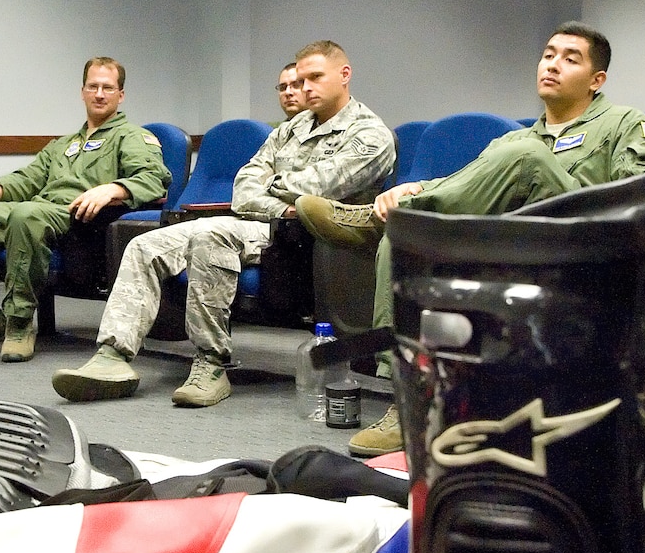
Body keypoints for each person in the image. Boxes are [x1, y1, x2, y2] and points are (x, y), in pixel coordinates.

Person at [303, 22, 645, 456]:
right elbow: (464, 187)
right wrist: (412, 190)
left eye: (571, 58)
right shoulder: (515, 138)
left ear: (596, 80)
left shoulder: (624, 124)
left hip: (582, 247)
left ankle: (370, 223)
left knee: (527, 158)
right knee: (404, 236)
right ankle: (407, 403)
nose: (553, 64)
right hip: (512, 250)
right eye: (549, 54)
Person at [51, 40, 394, 408]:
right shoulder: (289, 130)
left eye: (315, 78)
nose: (305, 87)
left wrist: (274, 185)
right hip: (259, 223)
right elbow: (244, 188)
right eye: (300, 79)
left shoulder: (371, 135)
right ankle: (112, 358)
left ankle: (211, 363)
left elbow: (318, 189)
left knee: (214, 234)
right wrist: (279, 197)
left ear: (344, 75)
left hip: (308, 239)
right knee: (147, 244)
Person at [0, 59, 171, 362]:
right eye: (93, 86)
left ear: (120, 95)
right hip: (39, 212)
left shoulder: (132, 137)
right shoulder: (63, 145)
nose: (99, 94)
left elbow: (155, 178)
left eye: (107, 88)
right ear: (83, 92)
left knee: (26, 214)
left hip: (81, 220)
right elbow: (27, 179)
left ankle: (18, 323)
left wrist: (114, 188)